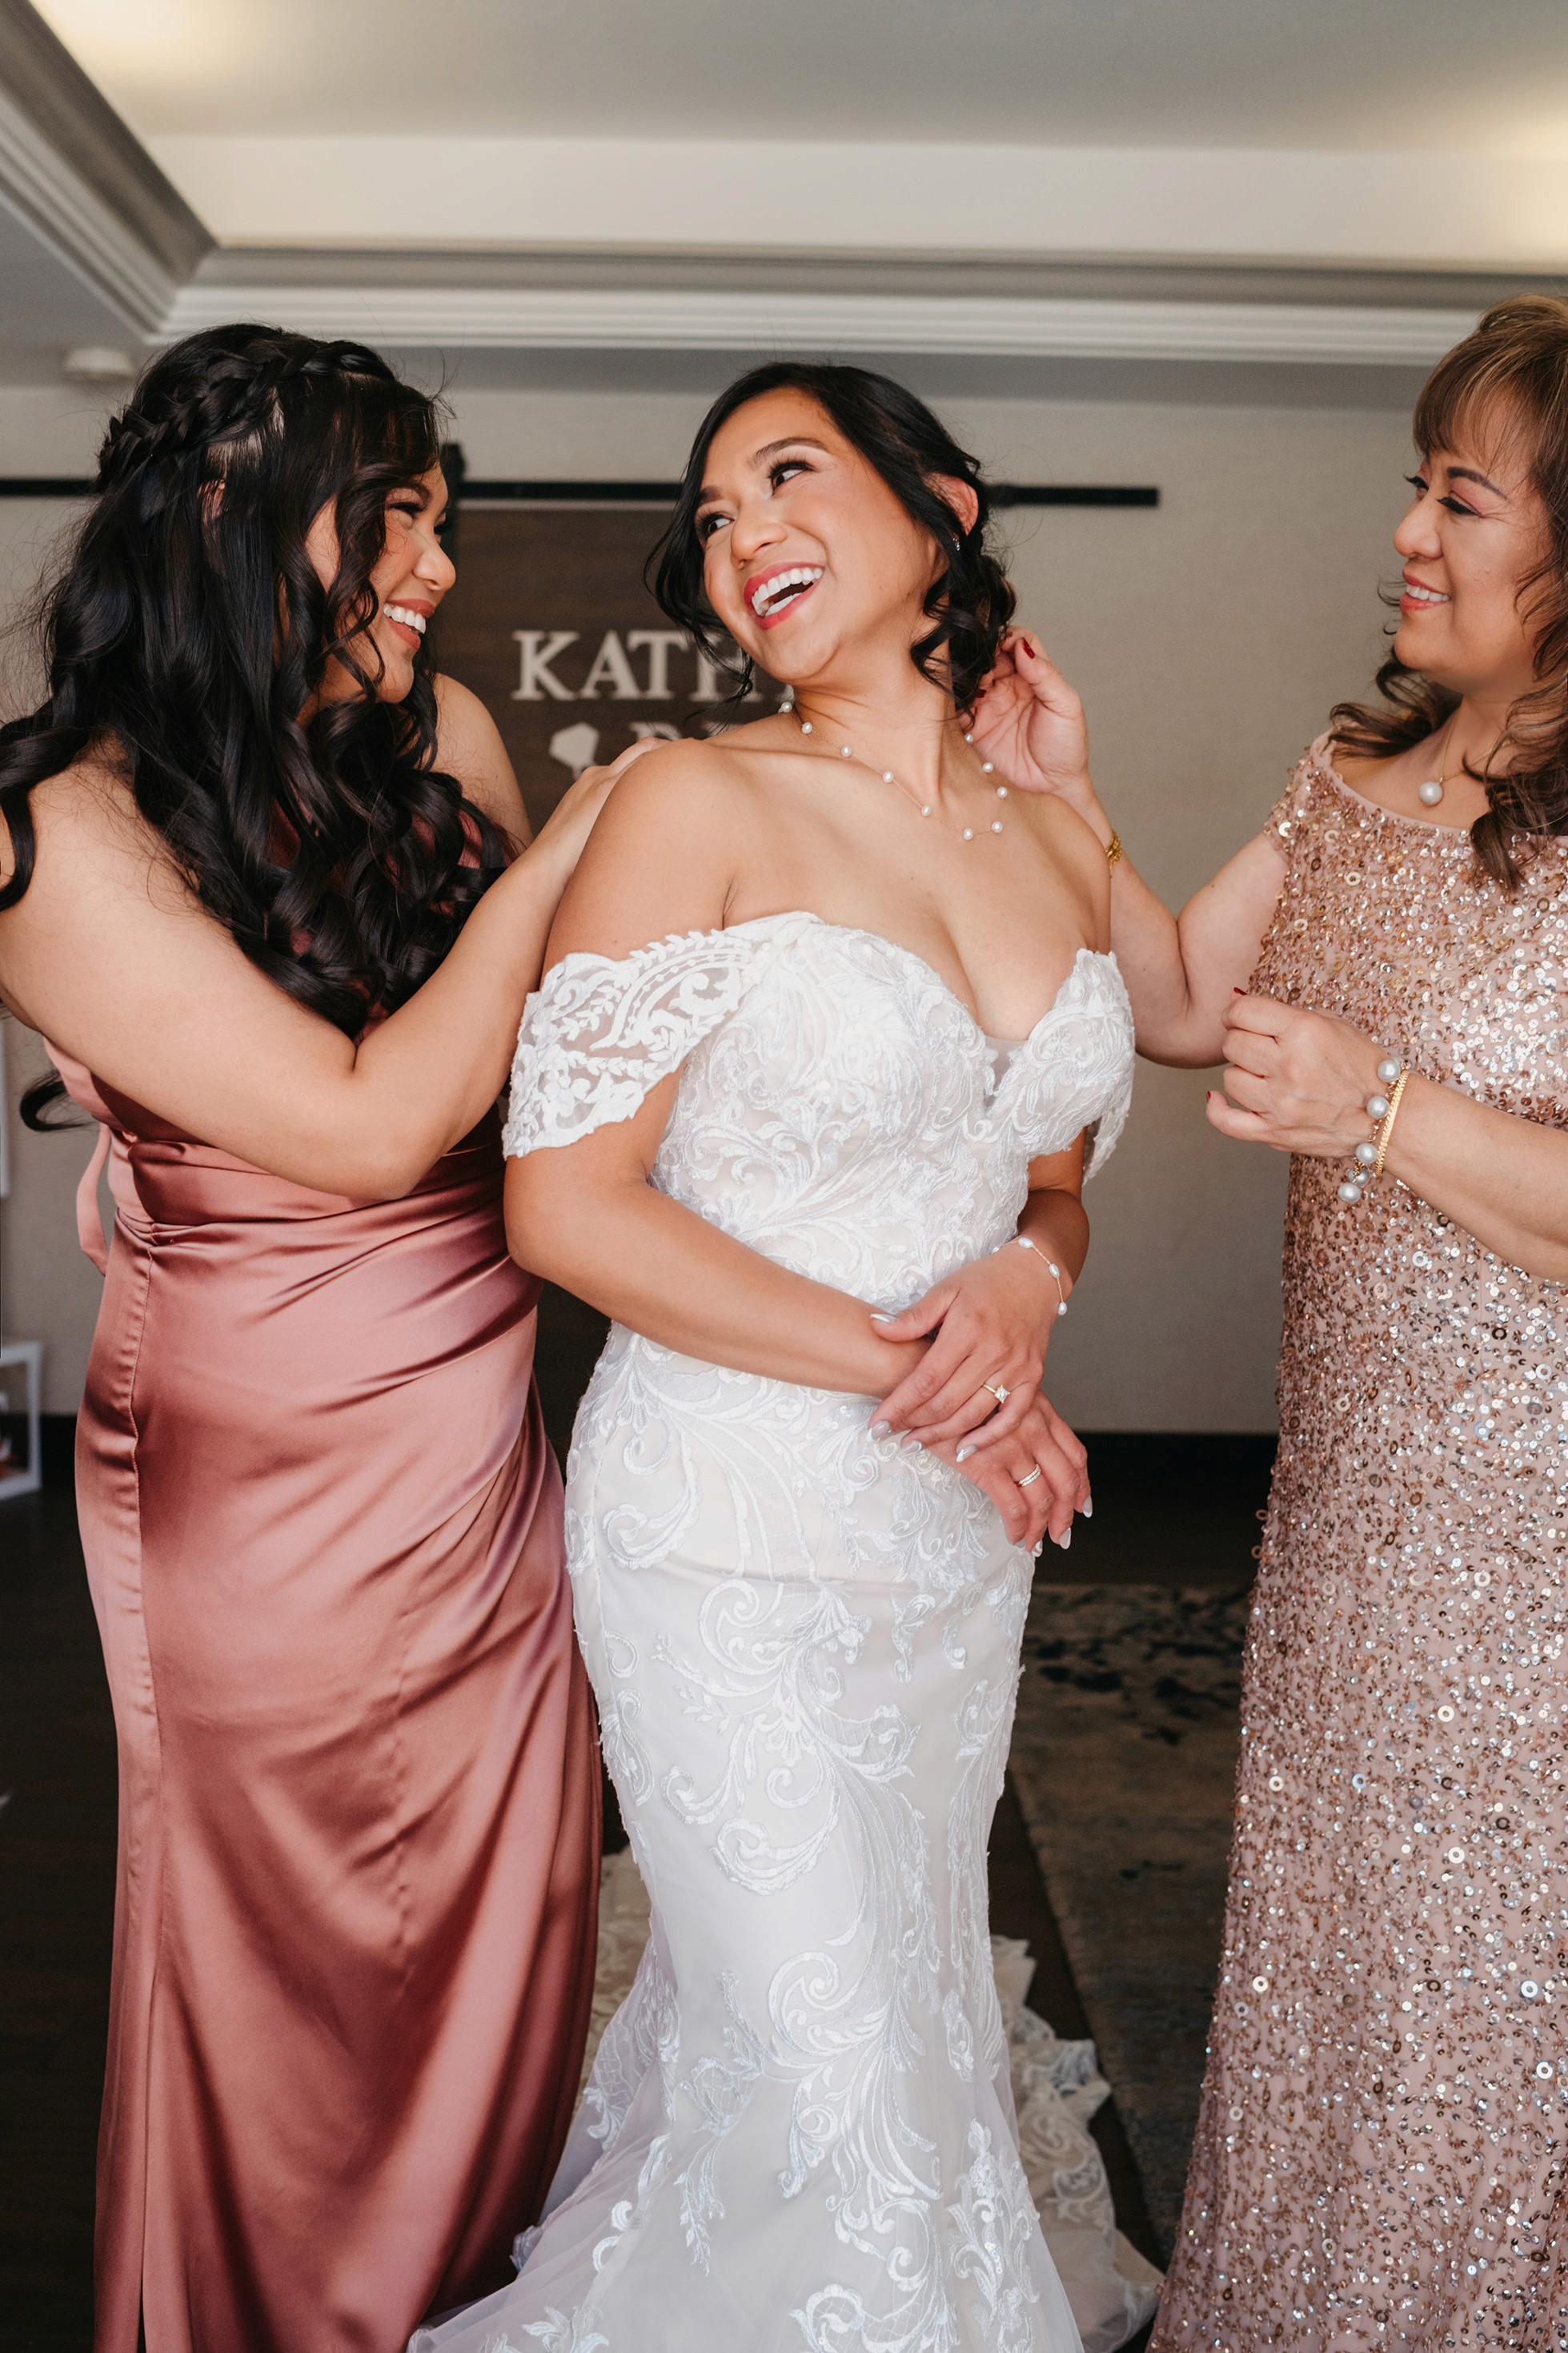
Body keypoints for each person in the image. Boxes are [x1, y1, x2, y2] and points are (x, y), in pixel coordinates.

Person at [413, 360, 1137, 2353]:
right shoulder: (687, 798)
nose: (741, 540)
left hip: (944, 1552)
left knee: (882, 2034)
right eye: (713, 517)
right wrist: (931, 1372)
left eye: (787, 479)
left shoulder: (1059, 846)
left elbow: (1051, 1185)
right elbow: (567, 1208)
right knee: (840, 2090)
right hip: (726, 1525)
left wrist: (1024, 1291)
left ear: (945, 512)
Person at [0, 325, 646, 2352]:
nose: (441, 575)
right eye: (400, 528)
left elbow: (541, 1085)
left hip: (482, 1449)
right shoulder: (57, 838)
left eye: (441, 528)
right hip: (260, 1483)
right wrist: (569, 857)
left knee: (512, 1920)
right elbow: (374, 1128)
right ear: (233, 522)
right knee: (284, 1970)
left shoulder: (443, 730)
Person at [973, 295, 1568, 2349]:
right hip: (1346, 1533)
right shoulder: (1354, 774)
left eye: (1458, 495)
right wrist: (1069, 800)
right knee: (1339, 1973)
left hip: (1540, 1564)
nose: (1406, 529)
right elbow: (1170, 1009)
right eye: (1415, 483)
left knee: (1502, 2005)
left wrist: (1382, 1113)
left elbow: (1363, 1105)